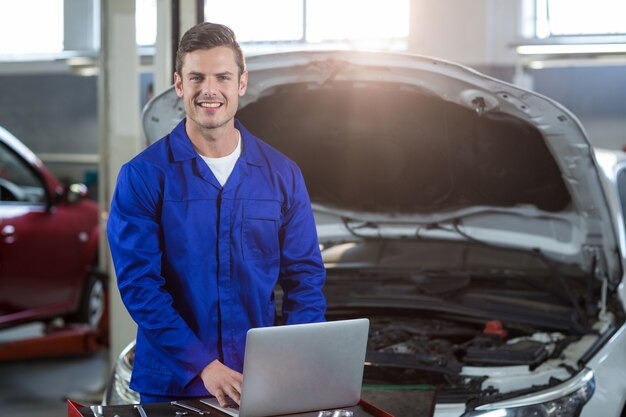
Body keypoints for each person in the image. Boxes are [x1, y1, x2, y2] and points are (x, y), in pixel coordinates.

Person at [107, 22, 326, 406]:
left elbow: (304, 278)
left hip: (260, 380)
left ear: (241, 83)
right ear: (179, 84)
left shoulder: (281, 174)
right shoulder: (142, 177)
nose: (210, 90)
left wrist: (293, 361)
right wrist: (202, 365)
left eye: (222, 77)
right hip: (172, 384)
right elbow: (140, 287)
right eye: (197, 77)